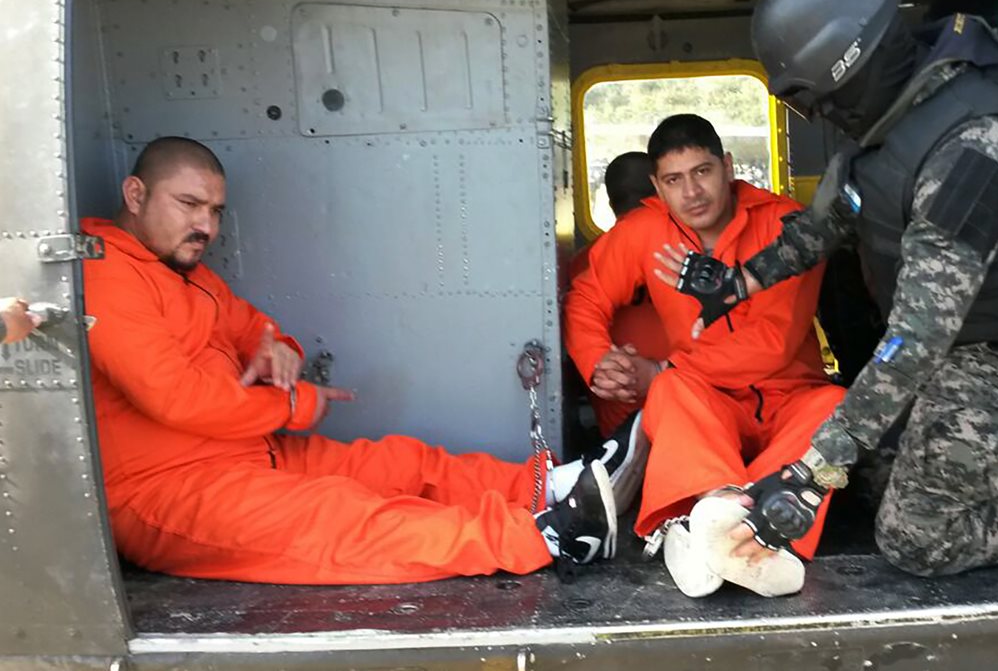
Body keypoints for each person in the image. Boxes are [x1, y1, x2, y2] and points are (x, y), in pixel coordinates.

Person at [658, 0, 998, 578]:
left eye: (819, 99)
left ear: (848, 67)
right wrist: (740, 280)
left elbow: (915, 339)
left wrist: (812, 471)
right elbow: (825, 225)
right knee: (877, 483)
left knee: (918, 538)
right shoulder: (892, 131)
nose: (822, 116)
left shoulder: (974, 151)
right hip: (947, 342)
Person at [82, 136, 644, 585]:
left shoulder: (188, 274)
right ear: (135, 194)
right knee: (339, 516)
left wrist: (270, 346)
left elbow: (255, 327)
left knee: (400, 463)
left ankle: (554, 483)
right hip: (167, 492)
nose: (206, 226)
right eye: (189, 205)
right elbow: (175, 397)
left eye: (215, 210)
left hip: (250, 454)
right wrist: (294, 403)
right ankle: (547, 535)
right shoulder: (104, 271)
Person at [565, 114, 845, 598]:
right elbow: (585, 297)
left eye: (702, 172)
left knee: (834, 408)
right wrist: (597, 361)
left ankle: (720, 531)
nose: (691, 192)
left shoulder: (786, 225)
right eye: (674, 180)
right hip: (709, 399)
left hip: (790, 396)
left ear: (728, 167)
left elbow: (773, 342)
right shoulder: (644, 230)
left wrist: (661, 370)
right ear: (657, 185)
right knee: (672, 394)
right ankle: (729, 517)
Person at [567, 151, 669, 439]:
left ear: (611, 203)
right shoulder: (685, 250)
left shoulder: (582, 263)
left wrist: (604, 364)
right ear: (658, 190)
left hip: (620, 421)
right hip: (686, 396)